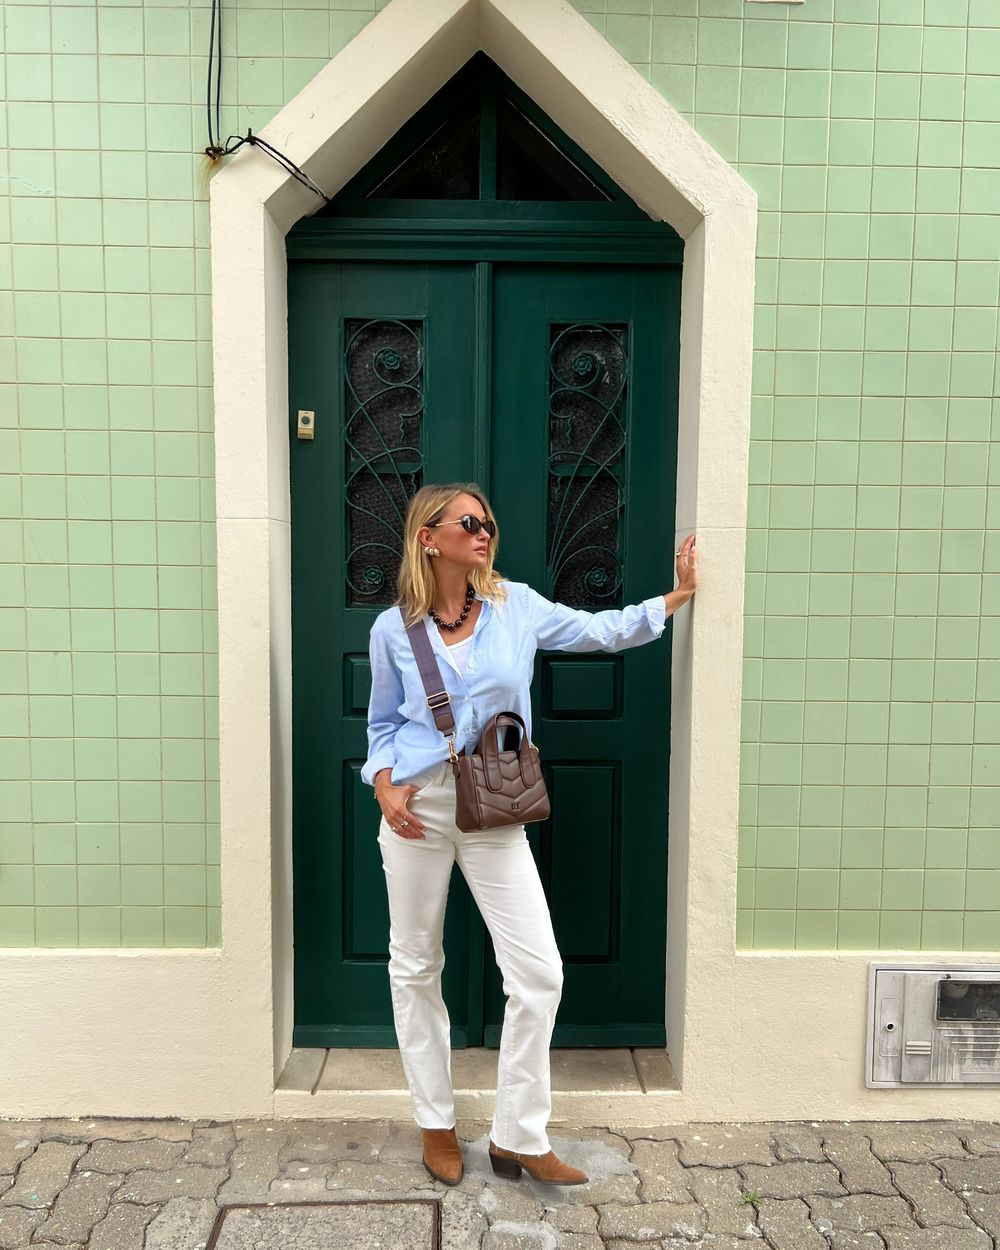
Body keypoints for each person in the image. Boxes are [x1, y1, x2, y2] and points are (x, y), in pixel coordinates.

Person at [363, 482, 697, 1186]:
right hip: (417, 810)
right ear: (429, 537)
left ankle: (517, 1135)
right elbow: (384, 724)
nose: (484, 531)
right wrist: (384, 783)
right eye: (469, 522)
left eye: (488, 521)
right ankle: (435, 1123)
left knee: (540, 974)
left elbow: (598, 631)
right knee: (415, 966)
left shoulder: (515, 606)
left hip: (493, 805)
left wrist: (674, 598)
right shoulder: (394, 629)